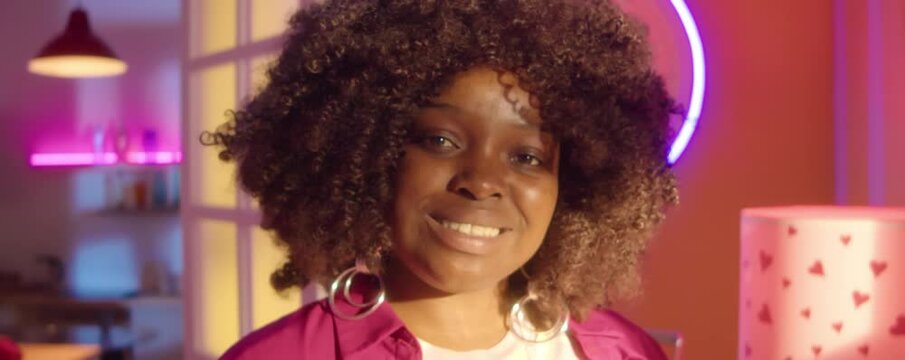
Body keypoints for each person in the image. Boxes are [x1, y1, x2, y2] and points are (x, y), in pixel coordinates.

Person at [206, 0, 679, 358]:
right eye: (440, 141)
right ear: (365, 156)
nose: (482, 181)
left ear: (571, 188)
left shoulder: (624, 351)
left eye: (527, 156)